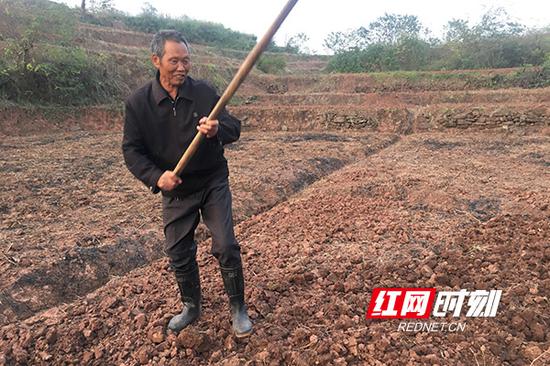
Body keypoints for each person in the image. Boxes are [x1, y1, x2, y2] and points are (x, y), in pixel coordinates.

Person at [122, 30, 252, 338]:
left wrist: (217, 129)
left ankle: (238, 308)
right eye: (174, 61)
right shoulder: (139, 104)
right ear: (156, 61)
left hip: (211, 180)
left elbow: (234, 128)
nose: (182, 67)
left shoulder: (205, 92)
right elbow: (131, 150)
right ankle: (191, 306)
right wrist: (157, 177)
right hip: (176, 189)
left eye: (186, 61)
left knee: (226, 244)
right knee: (178, 251)